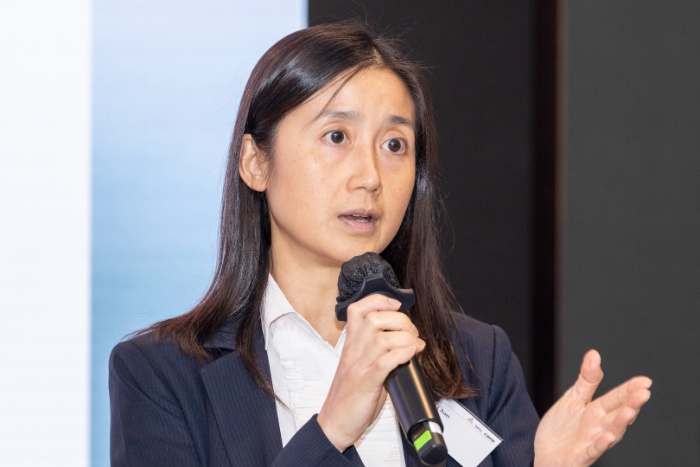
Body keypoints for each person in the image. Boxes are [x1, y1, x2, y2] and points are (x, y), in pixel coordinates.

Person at [109, 21, 652, 466]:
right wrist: (331, 429)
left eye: (395, 145)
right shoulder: (161, 374)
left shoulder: (478, 359)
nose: (370, 176)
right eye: (337, 136)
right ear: (256, 162)